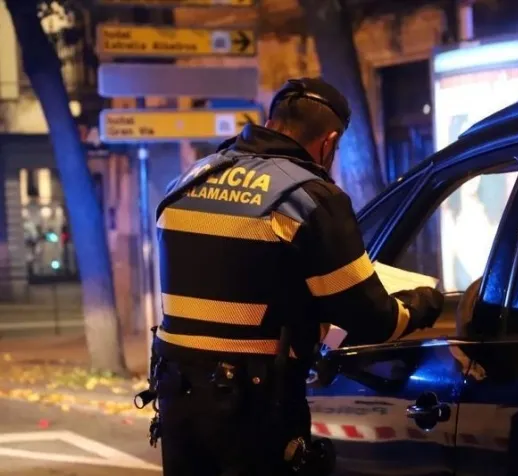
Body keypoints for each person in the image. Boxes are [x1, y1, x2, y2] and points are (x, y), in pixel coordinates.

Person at [145, 77, 444, 476]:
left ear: (272, 121)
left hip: (178, 402)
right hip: (255, 413)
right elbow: (373, 319)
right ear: (329, 141)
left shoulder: (187, 181)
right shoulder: (310, 199)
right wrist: (425, 302)